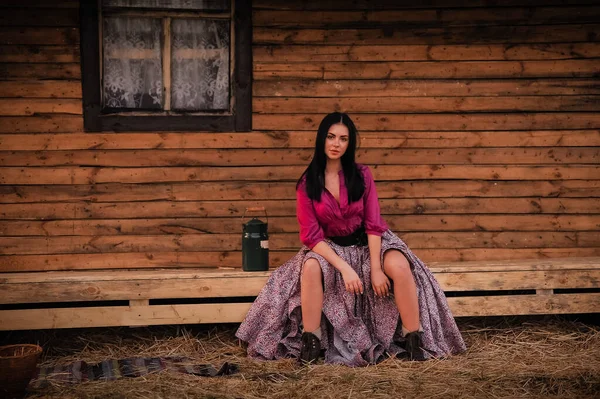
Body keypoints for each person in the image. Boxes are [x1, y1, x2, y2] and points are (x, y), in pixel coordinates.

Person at [236, 112, 466, 366]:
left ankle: (415, 342)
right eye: (331, 137)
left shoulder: (362, 175)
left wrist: (376, 268)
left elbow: (374, 224)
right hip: (330, 247)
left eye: (343, 139)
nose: (336, 143)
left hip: (371, 242)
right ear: (321, 139)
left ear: (349, 144)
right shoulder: (307, 184)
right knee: (310, 267)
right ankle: (310, 345)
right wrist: (344, 268)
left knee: (399, 266)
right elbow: (311, 236)